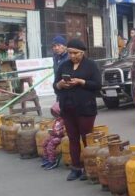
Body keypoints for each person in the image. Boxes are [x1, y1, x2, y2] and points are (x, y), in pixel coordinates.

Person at [54, 39, 102, 181]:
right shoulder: (64, 66)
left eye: (76, 53)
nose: (73, 56)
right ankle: (76, 168)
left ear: (82, 52)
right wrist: (60, 84)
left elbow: (97, 84)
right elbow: (55, 85)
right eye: (70, 53)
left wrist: (82, 82)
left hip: (85, 107)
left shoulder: (91, 65)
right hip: (67, 108)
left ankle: (89, 168)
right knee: (73, 138)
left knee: (87, 138)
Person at [41, 106, 66, 170]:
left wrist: (57, 133)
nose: (55, 115)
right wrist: (52, 131)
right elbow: (54, 128)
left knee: (50, 144)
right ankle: (46, 158)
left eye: (55, 113)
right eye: (53, 113)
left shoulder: (64, 120)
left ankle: (52, 161)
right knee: (44, 142)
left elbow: (65, 131)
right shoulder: (56, 120)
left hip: (61, 137)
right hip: (54, 135)